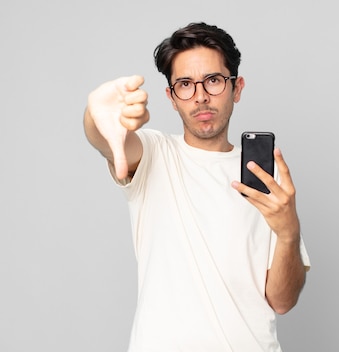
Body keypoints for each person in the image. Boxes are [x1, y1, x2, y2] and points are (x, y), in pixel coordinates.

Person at [83, 22, 310, 352]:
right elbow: (108, 140)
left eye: (214, 81)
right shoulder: (155, 155)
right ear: (171, 98)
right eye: (185, 84)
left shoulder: (266, 178)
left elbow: (282, 300)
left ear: (237, 87)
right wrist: (95, 117)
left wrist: (288, 232)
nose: (200, 96)